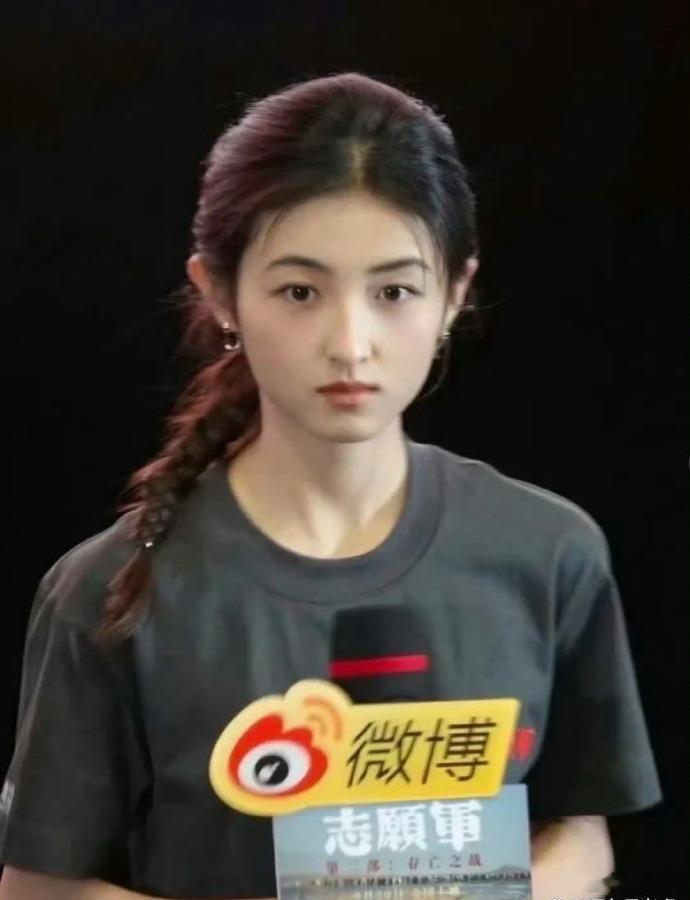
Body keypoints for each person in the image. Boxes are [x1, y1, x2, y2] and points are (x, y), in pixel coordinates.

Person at [0, 71, 661, 900]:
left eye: (394, 291)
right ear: (221, 293)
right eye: (300, 291)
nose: (351, 343)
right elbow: (39, 888)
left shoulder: (549, 551)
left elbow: (582, 834)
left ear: (454, 294)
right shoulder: (108, 587)